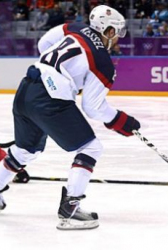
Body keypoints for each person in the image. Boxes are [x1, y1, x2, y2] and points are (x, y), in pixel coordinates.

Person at [0, 5, 141, 230]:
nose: (117, 39)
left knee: (25, 150)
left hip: (26, 87)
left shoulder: (74, 28)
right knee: (90, 148)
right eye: (116, 32)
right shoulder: (103, 62)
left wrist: (62, 71)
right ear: (108, 30)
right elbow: (92, 107)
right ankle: (71, 210)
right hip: (50, 99)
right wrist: (122, 121)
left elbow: (43, 44)